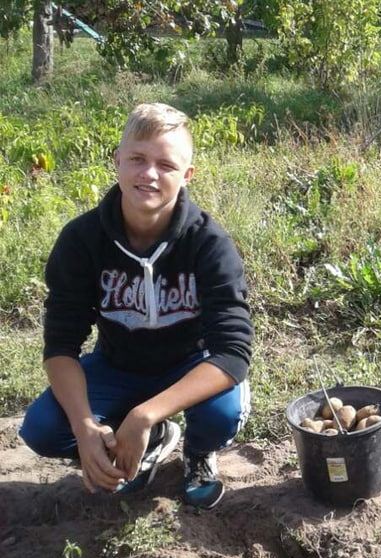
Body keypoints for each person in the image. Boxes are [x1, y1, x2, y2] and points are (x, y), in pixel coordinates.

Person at [19, 103, 253, 510]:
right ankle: (148, 442)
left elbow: (233, 353)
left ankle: (197, 453)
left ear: (187, 176)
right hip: (116, 365)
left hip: (189, 364)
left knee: (221, 415)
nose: (149, 174)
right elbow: (60, 346)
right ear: (117, 162)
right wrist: (85, 427)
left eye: (166, 165)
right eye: (137, 159)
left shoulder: (209, 244)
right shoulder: (81, 240)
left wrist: (145, 414)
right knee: (43, 430)